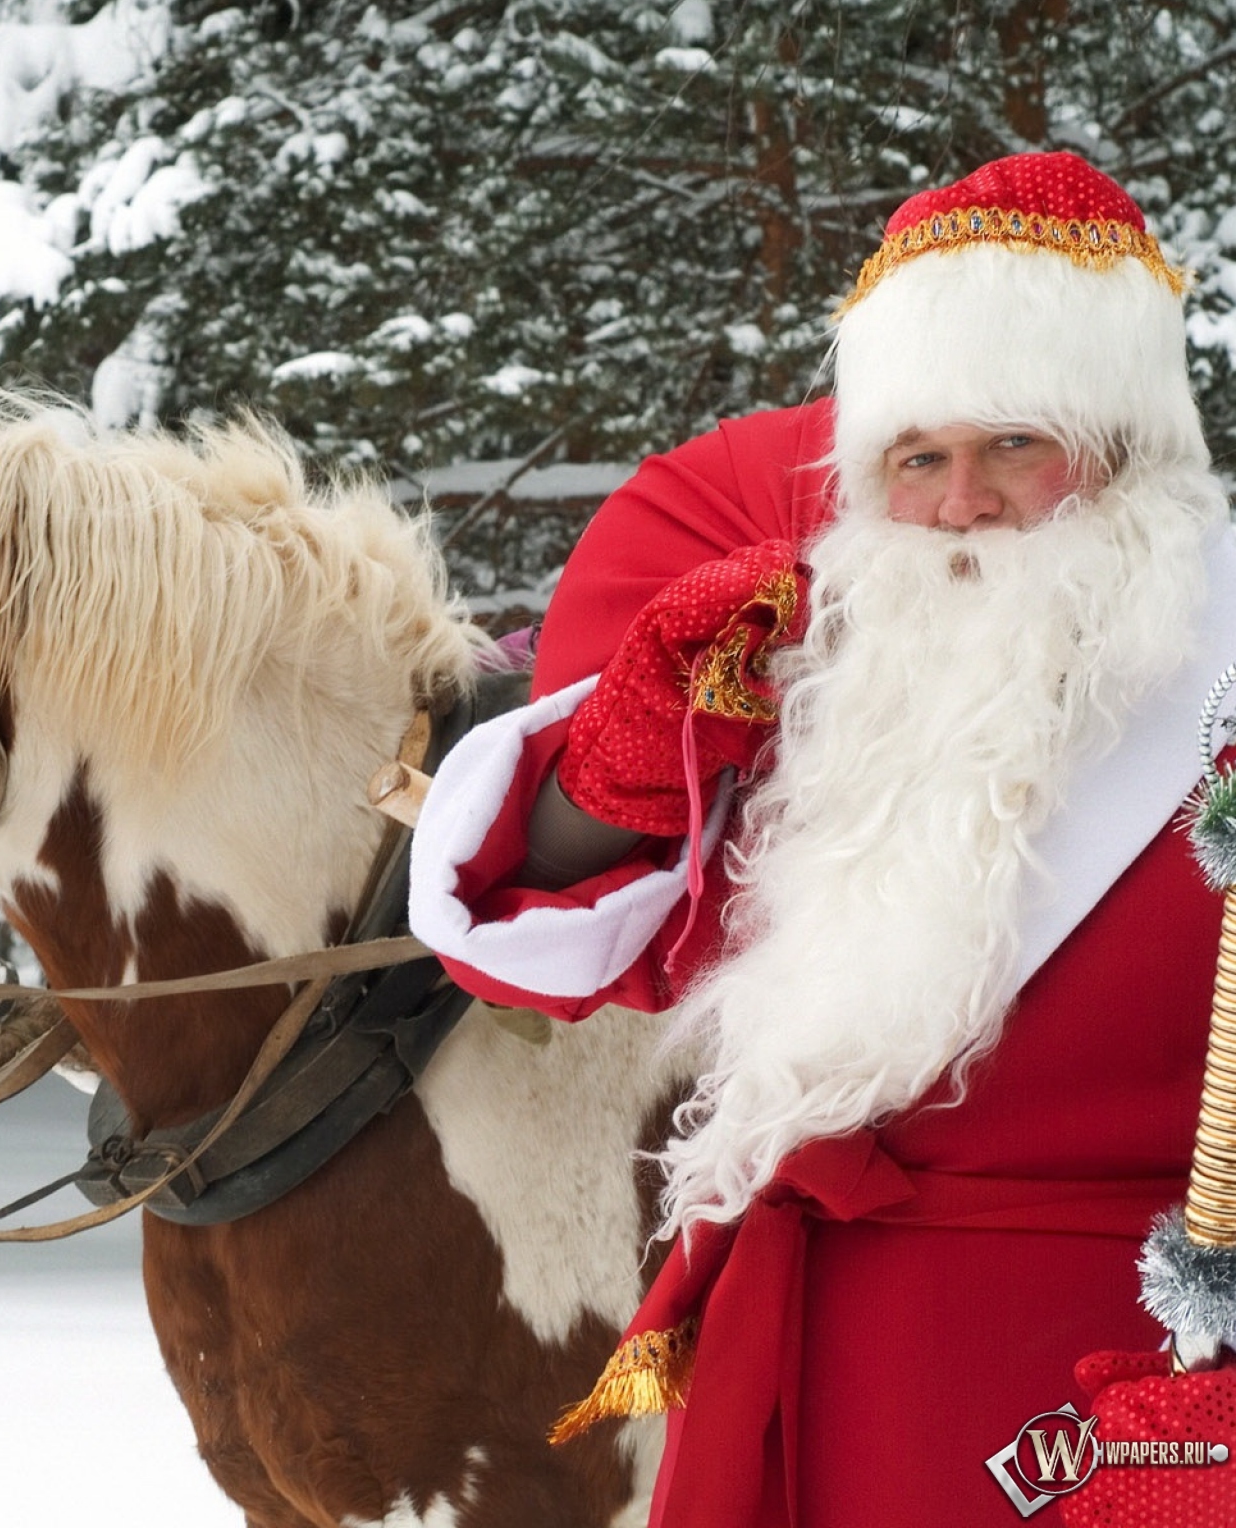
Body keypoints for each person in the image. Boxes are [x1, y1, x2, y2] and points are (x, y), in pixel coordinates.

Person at [407, 152, 1236, 1525]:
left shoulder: (1219, 680)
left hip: (1118, 1407)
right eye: (919, 458)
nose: (961, 503)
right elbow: (534, 945)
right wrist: (626, 751)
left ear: (1123, 445)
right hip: (813, 1382)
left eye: (1015, 445)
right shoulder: (827, 685)